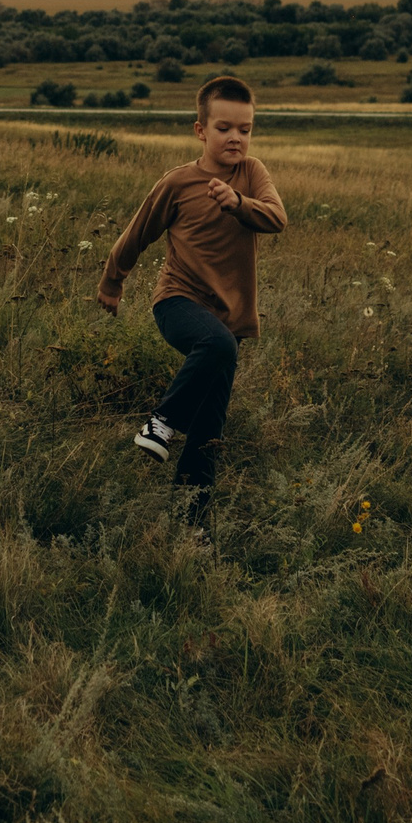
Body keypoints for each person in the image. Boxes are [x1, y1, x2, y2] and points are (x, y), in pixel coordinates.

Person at [96, 75, 286, 509]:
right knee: (215, 344)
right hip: (177, 303)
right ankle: (161, 421)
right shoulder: (178, 183)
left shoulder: (252, 174)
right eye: (224, 128)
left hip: (230, 317)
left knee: (210, 424)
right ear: (200, 130)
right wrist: (112, 279)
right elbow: (137, 233)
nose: (236, 138)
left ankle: (191, 516)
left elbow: (277, 218)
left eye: (245, 129)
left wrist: (238, 202)